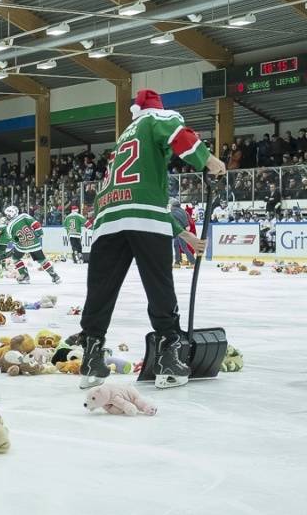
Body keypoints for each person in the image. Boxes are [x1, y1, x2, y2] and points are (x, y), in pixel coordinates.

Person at [77, 89, 226, 391]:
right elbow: (177, 134)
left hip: (107, 220)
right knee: (159, 285)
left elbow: (134, 198)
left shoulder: (123, 139)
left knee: (100, 291)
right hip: (145, 218)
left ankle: (91, 357)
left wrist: (183, 233)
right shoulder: (157, 118)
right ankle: (169, 355)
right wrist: (208, 159)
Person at [4, 205, 61, 285]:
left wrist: (18, 243)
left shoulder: (9, 227)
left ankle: (24, 275)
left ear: (11, 214)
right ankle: (54, 276)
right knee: (42, 260)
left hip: (22, 246)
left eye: (8, 214)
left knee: (16, 258)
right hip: (34, 243)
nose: (7, 216)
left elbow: (14, 239)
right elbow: (35, 224)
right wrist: (39, 233)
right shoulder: (24, 216)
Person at [169, 199, 195, 267]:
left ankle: (193, 262)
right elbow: (183, 219)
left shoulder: (174, 211)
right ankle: (177, 262)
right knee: (176, 245)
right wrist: (186, 225)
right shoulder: (181, 210)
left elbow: (178, 219)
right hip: (181, 230)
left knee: (184, 247)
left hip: (180, 230)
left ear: (172, 205)